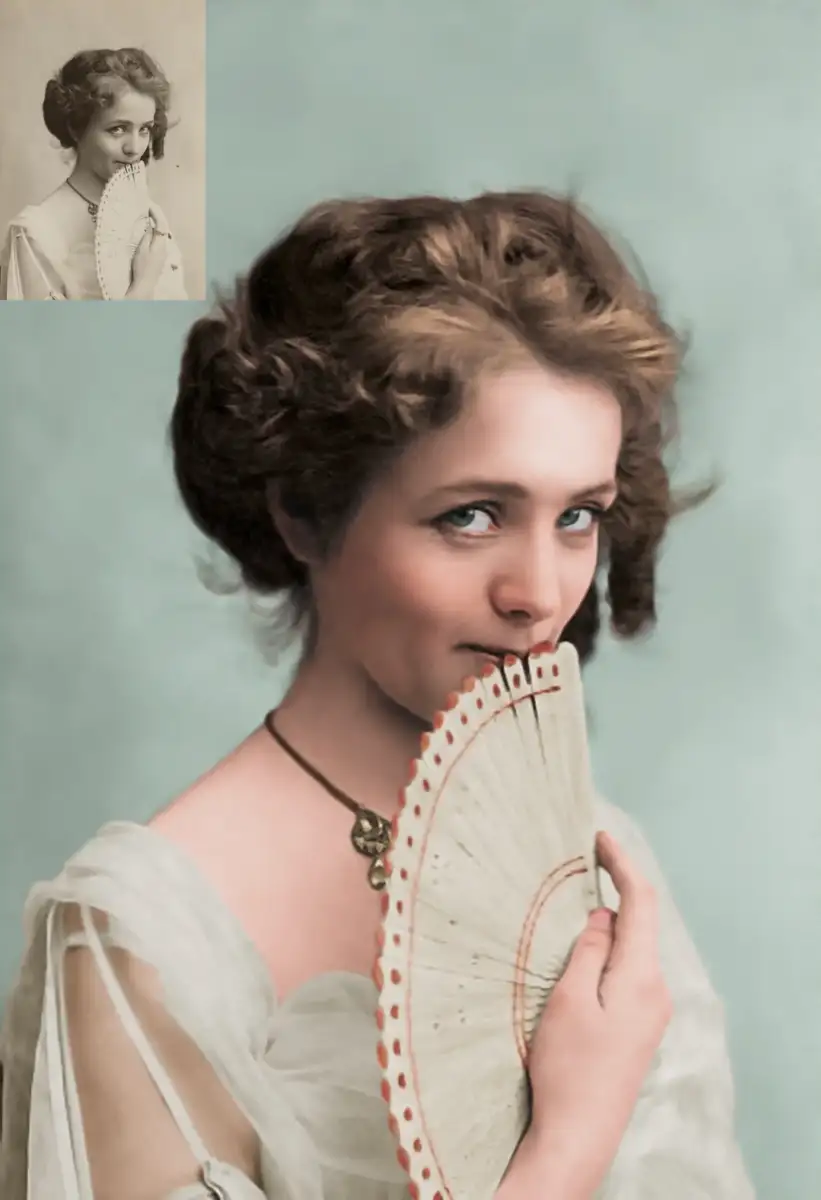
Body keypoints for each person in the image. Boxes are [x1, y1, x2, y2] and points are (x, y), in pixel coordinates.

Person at [0, 191, 755, 1199]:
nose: (539, 595)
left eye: (578, 517)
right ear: (306, 515)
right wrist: (568, 1145)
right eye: (473, 515)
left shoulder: (601, 855)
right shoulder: (144, 947)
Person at [0, 48, 185, 301]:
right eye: (118, 129)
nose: (134, 148)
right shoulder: (36, 234)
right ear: (76, 127)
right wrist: (144, 282)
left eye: (145, 129)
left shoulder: (152, 218)